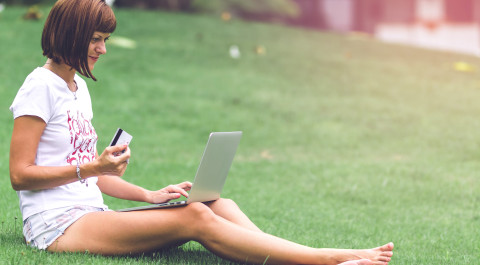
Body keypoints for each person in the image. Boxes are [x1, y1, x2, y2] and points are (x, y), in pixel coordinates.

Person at [8, 0, 394, 264]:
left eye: (105, 40)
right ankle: (327, 257)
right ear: (72, 35)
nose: (103, 49)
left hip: (90, 212)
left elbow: (91, 176)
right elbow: (20, 176)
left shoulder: (78, 88)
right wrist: (94, 169)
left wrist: (148, 195)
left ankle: (288, 255)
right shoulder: (39, 87)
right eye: (96, 39)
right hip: (57, 226)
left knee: (216, 205)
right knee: (195, 218)